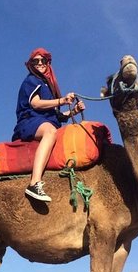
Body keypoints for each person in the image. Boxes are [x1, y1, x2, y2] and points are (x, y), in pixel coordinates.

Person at [12, 48, 85, 202]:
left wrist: (75, 112)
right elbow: (36, 103)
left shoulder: (48, 88)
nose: (39, 63)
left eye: (42, 60)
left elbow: (58, 116)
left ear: (47, 63)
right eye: (35, 61)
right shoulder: (32, 80)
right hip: (30, 120)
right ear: (31, 64)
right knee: (51, 132)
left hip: (45, 121)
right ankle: (34, 183)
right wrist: (62, 101)